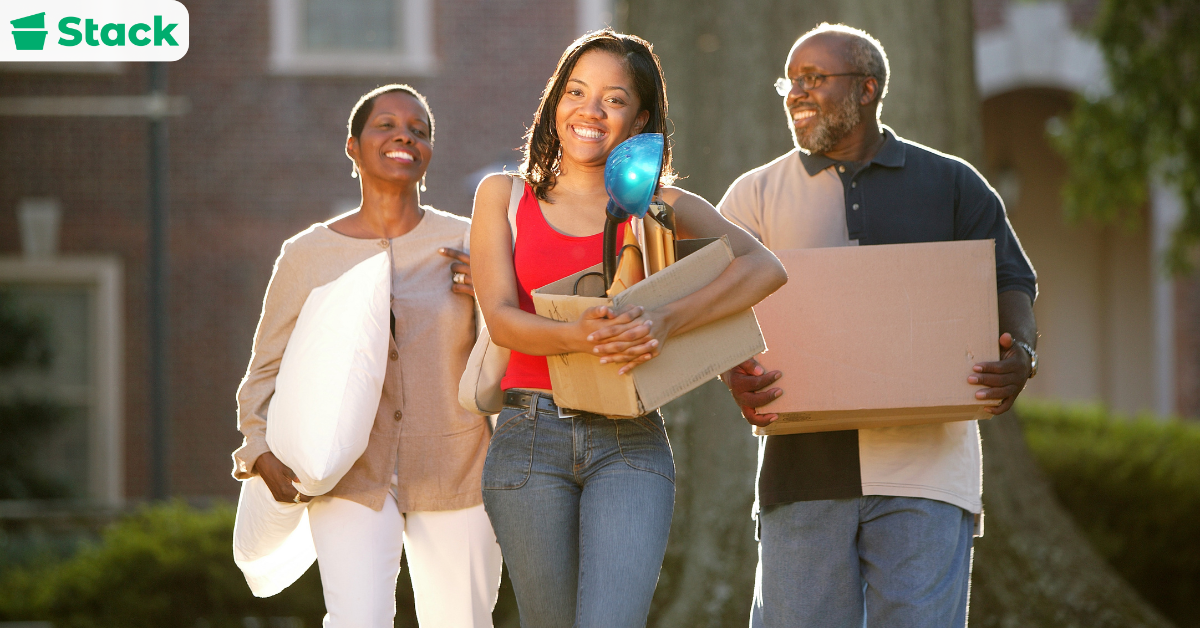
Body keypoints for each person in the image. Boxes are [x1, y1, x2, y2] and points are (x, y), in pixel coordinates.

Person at [717, 24, 1039, 628]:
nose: (797, 92)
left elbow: (1011, 282)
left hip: (928, 471)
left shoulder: (953, 184)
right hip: (803, 470)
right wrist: (731, 372)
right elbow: (713, 308)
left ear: (867, 89)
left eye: (816, 79)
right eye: (791, 81)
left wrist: (1022, 350)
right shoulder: (753, 197)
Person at [470, 30, 787, 628]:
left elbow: (764, 267)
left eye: (613, 100)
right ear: (555, 103)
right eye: (576, 92)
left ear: (640, 118)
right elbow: (504, 322)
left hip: (629, 439)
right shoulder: (504, 197)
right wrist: (587, 334)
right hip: (529, 436)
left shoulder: (658, 206)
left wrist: (664, 319)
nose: (590, 111)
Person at [232, 84, 502, 628]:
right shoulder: (308, 254)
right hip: (351, 475)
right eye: (386, 125)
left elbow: (513, 351)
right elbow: (265, 371)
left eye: (419, 129)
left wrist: (496, 297)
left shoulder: (473, 243)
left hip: (459, 469)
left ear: (427, 152)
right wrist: (258, 450)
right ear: (353, 147)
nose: (404, 134)